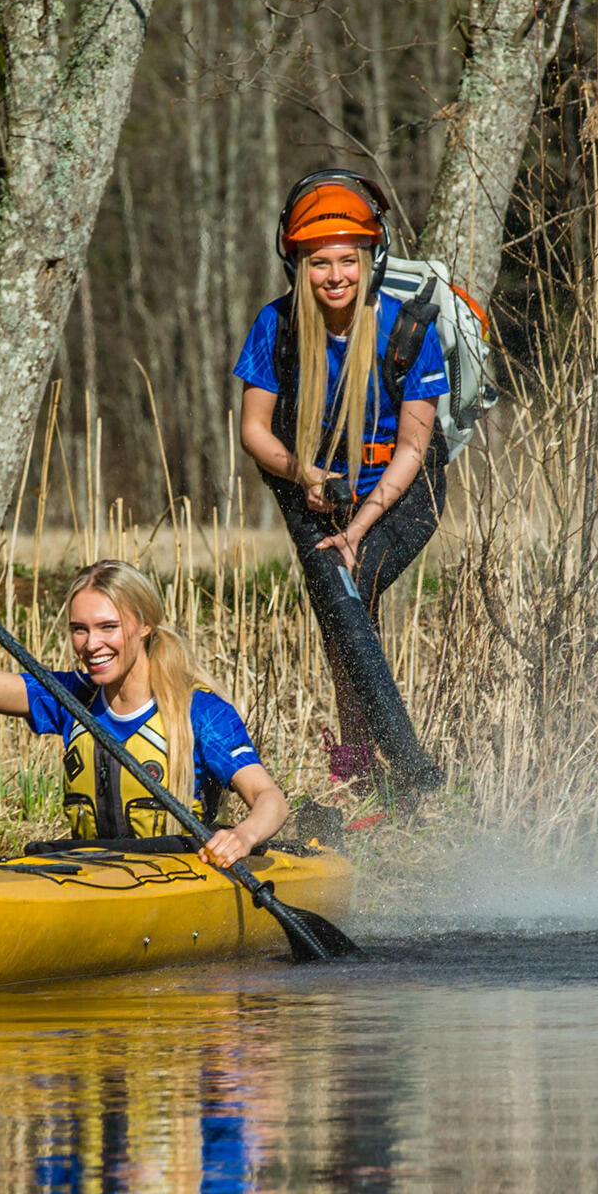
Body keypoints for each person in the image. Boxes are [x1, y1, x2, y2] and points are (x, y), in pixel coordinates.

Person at [234, 169, 450, 794]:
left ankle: (405, 770)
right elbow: (254, 431)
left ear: (370, 258)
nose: (335, 276)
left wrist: (357, 527)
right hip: (311, 483)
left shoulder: (406, 330)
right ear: (297, 263)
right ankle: (367, 764)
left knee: (348, 583)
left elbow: (413, 449)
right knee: (342, 611)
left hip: (403, 491)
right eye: (319, 262)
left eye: (348, 261)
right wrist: (305, 474)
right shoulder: (275, 326)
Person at [0, 559, 287, 868]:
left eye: (108, 627)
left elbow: (268, 798)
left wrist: (242, 837)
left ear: (144, 625)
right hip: (93, 876)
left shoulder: (200, 711)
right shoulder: (70, 696)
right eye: (79, 629)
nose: (90, 644)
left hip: (178, 876)